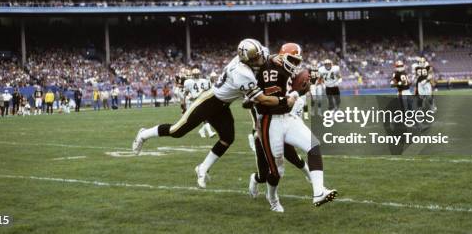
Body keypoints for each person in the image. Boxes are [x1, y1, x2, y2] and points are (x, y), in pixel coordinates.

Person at [132, 39, 297, 189]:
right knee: (177, 131)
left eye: (260, 56)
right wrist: (284, 101)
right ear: (246, 60)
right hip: (210, 101)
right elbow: (262, 98)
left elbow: (266, 56)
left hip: (224, 105)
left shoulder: (258, 53)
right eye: (255, 59)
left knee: (227, 138)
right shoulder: (241, 73)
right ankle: (144, 134)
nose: (260, 60)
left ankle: (202, 168)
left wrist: (273, 57)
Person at [248, 43, 337, 212]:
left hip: (288, 118)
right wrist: (293, 94)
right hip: (270, 122)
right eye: (292, 60)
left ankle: (318, 192)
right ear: (282, 56)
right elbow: (271, 100)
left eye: (297, 61)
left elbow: (306, 79)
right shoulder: (268, 69)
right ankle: (272, 198)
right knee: (276, 171)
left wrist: (300, 89)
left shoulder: (288, 69)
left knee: (314, 146)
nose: (295, 64)